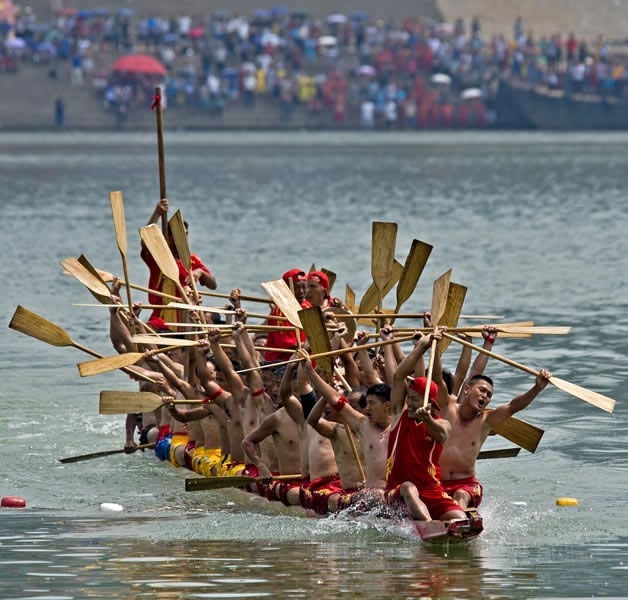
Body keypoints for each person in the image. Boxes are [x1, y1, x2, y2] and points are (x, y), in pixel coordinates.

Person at [386, 329, 467, 521]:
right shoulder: (398, 414)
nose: (409, 402)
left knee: (459, 517)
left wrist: (427, 419)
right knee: (409, 488)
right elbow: (398, 376)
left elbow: (442, 435)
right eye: (409, 397)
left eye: (415, 399)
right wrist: (422, 346)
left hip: (431, 489)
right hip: (398, 491)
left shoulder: (442, 423)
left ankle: (448, 525)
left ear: (429, 402)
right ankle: (429, 525)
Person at [141, 198, 216, 330]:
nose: (184, 238)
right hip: (161, 316)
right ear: (169, 237)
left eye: (186, 234)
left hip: (188, 318)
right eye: (180, 234)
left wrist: (201, 272)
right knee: (146, 329)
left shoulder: (192, 260)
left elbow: (213, 285)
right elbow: (145, 241)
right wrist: (157, 213)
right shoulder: (158, 257)